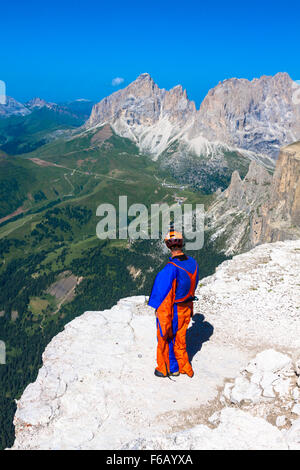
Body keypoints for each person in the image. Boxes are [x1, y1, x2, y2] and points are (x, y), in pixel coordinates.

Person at [148, 230, 199, 378]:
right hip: (187, 307)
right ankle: (183, 365)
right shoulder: (193, 263)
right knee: (180, 338)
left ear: (167, 246)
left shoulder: (170, 268)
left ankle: (169, 368)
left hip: (175, 308)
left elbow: (163, 296)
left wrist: (159, 313)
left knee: (168, 336)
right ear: (182, 244)